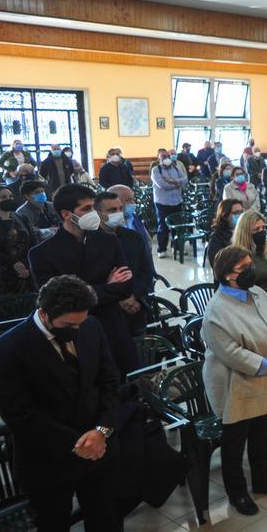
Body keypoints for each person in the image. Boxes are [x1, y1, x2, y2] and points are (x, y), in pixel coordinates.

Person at [0, 275, 123, 532]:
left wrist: (101, 431)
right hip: (47, 459)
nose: (76, 330)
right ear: (45, 313)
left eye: (80, 323)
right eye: (68, 326)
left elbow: (110, 382)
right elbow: (20, 415)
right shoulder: (8, 349)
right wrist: (77, 442)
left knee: (106, 525)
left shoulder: (91, 326)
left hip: (97, 446)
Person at [202, 246, 267, 515]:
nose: (251, 270)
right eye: (245, 267)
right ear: (229, 275)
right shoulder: (216, 310)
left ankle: (263, 480)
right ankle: (237, 492)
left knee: (262, 435)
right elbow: (229, 352)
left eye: (251, 264)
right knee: (234, 442)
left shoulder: (259, 294)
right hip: (237, 382)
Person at [29, 184, 136, 374]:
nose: (93, 213)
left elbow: (125, 287)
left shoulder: (109, 242)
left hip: (113, 328)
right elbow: (58, 301)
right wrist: (107, 285)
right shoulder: (42, 253)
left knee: (124, 386)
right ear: (66, 214)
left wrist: (86, 289)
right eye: (86, 209)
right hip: (75, 334)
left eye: (94, 207)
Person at [94, 191, 151, 336]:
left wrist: (133, 296)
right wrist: (120, 300)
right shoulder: (90, 241)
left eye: (120, 208)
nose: (118, 213)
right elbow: (95, 278)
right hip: (106, 310)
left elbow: (146, 270)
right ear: (98, 213)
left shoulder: (133, 237)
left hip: (136, 304)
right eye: (112, 210)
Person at [0, 185, 37, 297]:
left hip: (26, 269)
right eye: (3, 197)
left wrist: (25, 263)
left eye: (10, 196)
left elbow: (34, 243)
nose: (9, 199)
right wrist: (14, 264)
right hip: (0, 273)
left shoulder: (22, 218)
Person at [232, 210, 267, 316]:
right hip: (251, 310)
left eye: (263, 228)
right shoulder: (238, 257)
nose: (261, 232)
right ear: (246, 232)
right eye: (256, 229)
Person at [151, 148, 188, 259]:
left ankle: (176, 247)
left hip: (177, 201)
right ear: (159, 157)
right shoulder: (156, 170)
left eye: (167, 156)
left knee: (177, 226)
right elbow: (163, 185)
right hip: (163, 202)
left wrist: (172, 181)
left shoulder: (176, 168)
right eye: (163, 156)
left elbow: (185, 179)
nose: (166, 158)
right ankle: (162, 249)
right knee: (163, 226)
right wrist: (177, 184)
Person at [205, 199, 244, 270]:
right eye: (236, 213)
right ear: (225, 215)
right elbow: (217, 265)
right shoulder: (216, 238)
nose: (240, 216)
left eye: (242, 212)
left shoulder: (246, 231)